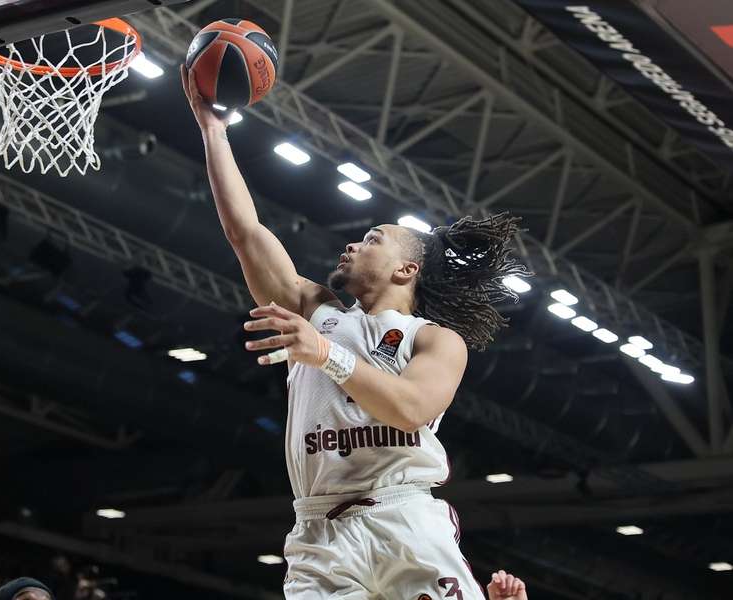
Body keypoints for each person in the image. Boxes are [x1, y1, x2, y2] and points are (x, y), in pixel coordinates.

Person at [182, 66, 530, 600]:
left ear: (406, 271)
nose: (353, 244)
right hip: (318, 531)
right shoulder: (316, 311)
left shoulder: (434, 339)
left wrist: (325, 355)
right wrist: (213, 131)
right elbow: (245, 231)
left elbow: (411, 409)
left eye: (373, 238)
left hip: (402, 518)